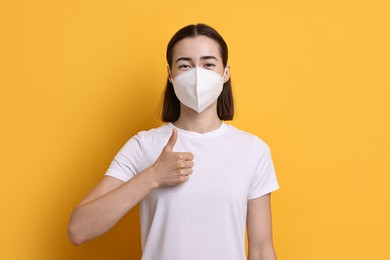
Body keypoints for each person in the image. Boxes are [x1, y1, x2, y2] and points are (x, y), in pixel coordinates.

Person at [68, 23, 280, 260]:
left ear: (225, 73)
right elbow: (79, 229)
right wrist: (153, 176)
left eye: (208, 64)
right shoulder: (143, 145)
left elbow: (261, 248)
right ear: (170, 74)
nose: (197, 74)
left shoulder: (252, 150)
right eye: (185, 65)